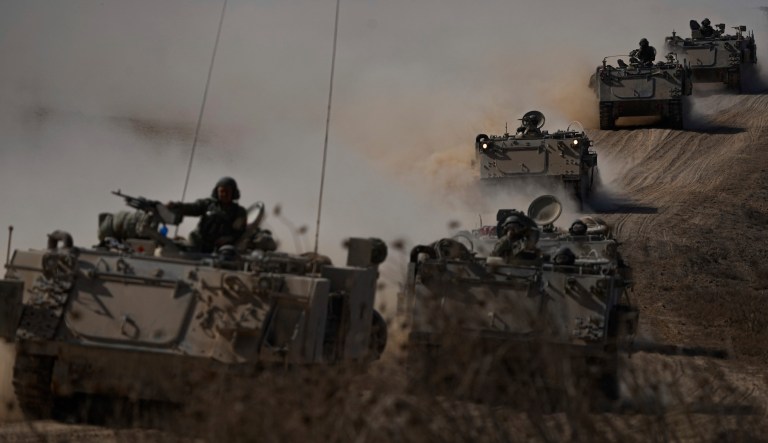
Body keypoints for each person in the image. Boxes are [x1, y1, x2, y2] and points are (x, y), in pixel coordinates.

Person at [167, 176, 248, 253]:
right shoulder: (207, 204)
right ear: (217, 192)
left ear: (233, 193)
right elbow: (193, 208)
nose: (224, 195)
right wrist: (176, 206)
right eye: (222, 191)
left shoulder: (239, 212)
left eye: (227, 192)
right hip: (197, 242)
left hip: (219, 249)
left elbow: (239, 232)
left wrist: (228, 238)